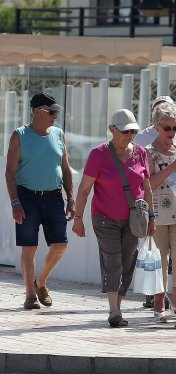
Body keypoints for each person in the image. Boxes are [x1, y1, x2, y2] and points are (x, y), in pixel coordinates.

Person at [72, 108, 156, 327]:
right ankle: (113, 309)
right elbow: (84, 189)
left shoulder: (141, 153)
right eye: (124, 131)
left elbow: (146, 188)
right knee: (113, 262)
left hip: (135, 218)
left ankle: (117, 307)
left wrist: (152, 216)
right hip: (104, 218)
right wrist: (78, 218)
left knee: (128, 263)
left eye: (133, 132)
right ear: (111, 130)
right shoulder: (99, 154)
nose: (129, 136)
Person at [5, 92, 75, 310]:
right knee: (29, 246)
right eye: (51, 112)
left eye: (56, 112)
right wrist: (15, 202)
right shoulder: (20, 135)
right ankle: (29, 295)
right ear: (36, 111)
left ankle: (40, 282)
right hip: (27, 197)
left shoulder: (58, 134)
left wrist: (70, 198)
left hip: (54, 196)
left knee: (61, 244)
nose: (55, 116)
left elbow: (65, 168)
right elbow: (10, 172)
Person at [134, 95, 176, 310]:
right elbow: (147, 184)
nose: (171, 133)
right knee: (160, 258)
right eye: (167, 128)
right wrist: (171, 168)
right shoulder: (147, 152)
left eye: (175, 128)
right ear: (157, 126)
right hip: (156, 212)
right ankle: (159, 302)